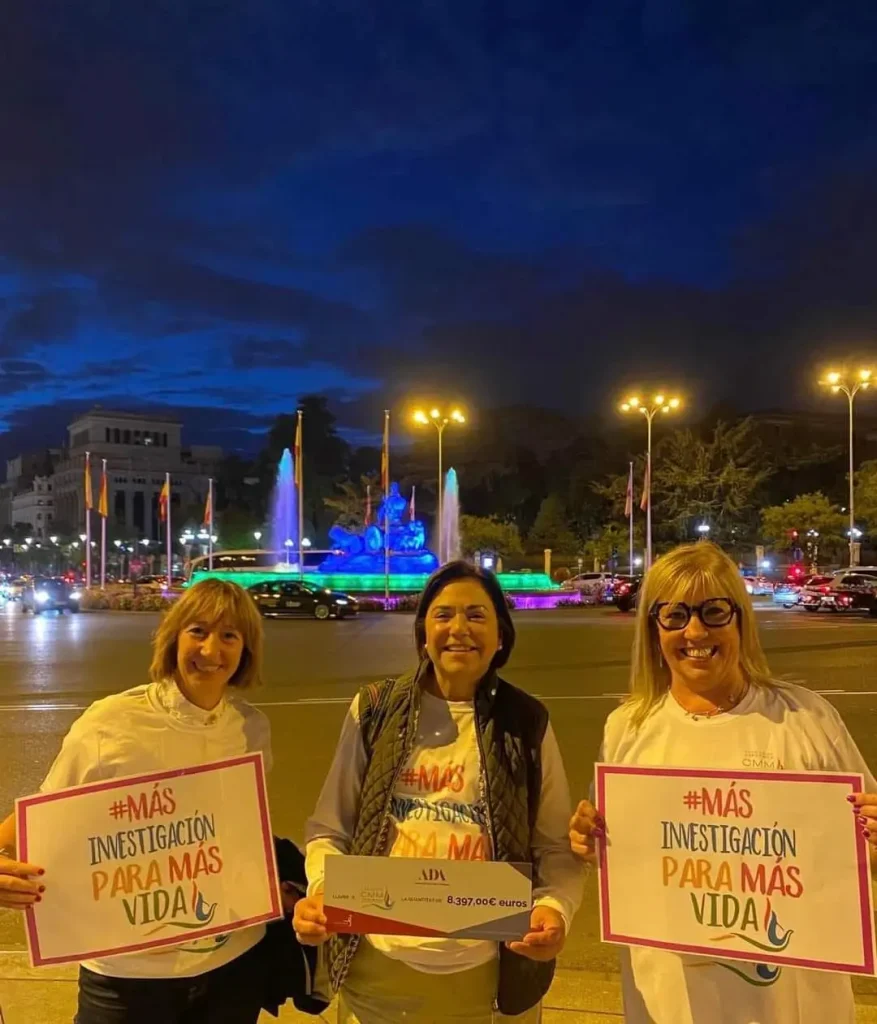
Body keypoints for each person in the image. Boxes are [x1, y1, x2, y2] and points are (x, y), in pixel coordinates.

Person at [569, 541, 877, 1024]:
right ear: (653, 630)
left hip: (792, 1004)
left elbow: (862, 854)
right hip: (670, 1001)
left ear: (740, 620)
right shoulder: (627, 728)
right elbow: (614, 849)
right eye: (674, 615)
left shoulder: (807, 718)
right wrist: (589, 840)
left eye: (713, 611)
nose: (695, 631)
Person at [294, 561, 583, 1023]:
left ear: (501, 635)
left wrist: (553, 909)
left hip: (486, 978)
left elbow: (554, 846)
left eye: (476, 615)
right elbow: (331, 827)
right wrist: (324, 891)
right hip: (379, 970)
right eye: (443, 615)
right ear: (423, 632)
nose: (459, 629)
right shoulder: (374, 710)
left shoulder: (526, 721)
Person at [0, 578, 273, 1024]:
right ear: (173, 638)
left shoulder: (252, 728)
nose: (211, 650)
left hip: (232, 964)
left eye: (229, 636)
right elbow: (45, 812)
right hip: (129, 973)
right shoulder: (112, 722)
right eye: (198, 631)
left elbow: (239, 830)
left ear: (246, 649)